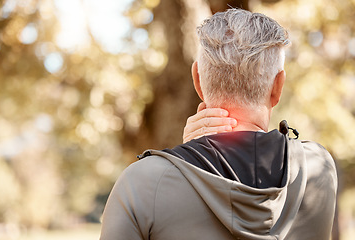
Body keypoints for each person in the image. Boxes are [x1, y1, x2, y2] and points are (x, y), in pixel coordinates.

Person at [100, 8, 337, 240]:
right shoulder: (317, 167)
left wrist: (187, 158)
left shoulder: (142, 183)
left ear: (198, 81)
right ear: (278, 87)